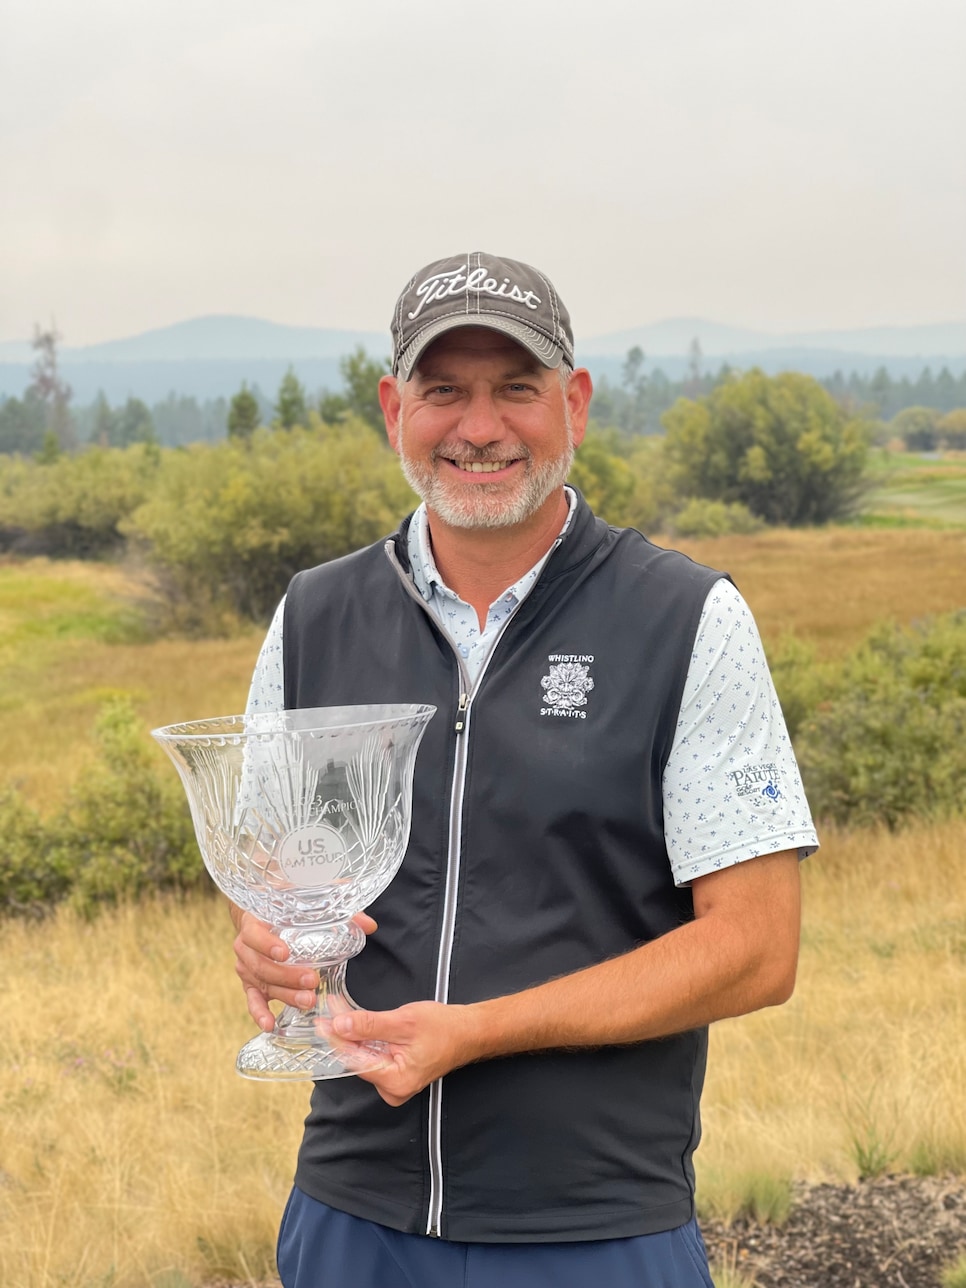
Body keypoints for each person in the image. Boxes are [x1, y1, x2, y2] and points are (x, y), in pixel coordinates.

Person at [232, 251, 818, 1288]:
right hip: (350, 1217)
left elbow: (757, 950)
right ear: (391, 409)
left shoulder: (685, 618)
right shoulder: (313, 615)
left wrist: (476, 1033)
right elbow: (276, 884)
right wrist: (266, 943)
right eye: (443, 389)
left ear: (575, 403)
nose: (480, 426)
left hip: (596, 1230)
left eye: (517, 387)